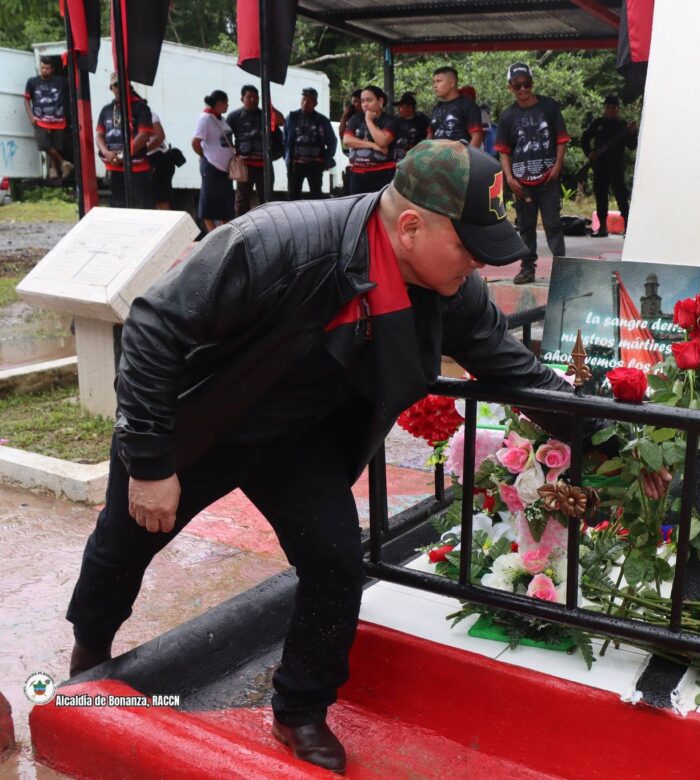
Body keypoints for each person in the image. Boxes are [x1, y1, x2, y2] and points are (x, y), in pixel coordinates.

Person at [64, 140, 564, 774]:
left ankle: (300, 707)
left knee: (335, 561)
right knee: (124, 545)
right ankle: (89, 657)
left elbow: (516, 371)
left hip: (297, 440)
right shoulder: (278, 242)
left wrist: (604, 436)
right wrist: (149, 463)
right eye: (469, 246)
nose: (479, 265)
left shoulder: (449, 290)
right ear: (410, 227)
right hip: (201, 425)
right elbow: (153, 328)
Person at [495, 63, 569, 285]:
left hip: (548, 178)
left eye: (526, 83)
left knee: (553, 224)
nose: (523, 89)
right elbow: (504, 151)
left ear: (532, 83)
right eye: (517, 85)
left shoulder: (549, 107)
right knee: (525, 227)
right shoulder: (508, 116)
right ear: (510, 87)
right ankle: (527, 268)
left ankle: (563, 270)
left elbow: (562, 140)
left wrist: (557, 165)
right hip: (521, 182)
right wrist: (509, 178)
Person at [580, 95, 638, 237]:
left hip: (617, 166)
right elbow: (585, 138)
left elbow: (632, 146)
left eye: (613, 107)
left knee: (621, 196)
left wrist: (632, 133)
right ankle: (602, 228)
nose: (610, 110)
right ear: (604, 108)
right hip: (600, 165)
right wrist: (589, 152)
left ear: (618, 109)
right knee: (600, 196)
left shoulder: (623, 125)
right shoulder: (597, 123)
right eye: (608, 107)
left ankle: (629, 228)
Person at [225, 84, 285, 216]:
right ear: (242, 99)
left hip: (265, 167)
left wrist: (273, 156)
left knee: (267, 201)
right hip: (244, 166)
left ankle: (267, 224)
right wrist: (233, 158)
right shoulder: (234, 117)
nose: (253, 100)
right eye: (249, 97)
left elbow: (281, 125)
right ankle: (240, 226)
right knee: (242, 201)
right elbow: (225, 139)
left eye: (256, 97)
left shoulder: (266, 115)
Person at [96, 73, 154, 208]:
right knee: (118, 207)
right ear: (111, 88)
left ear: (129, 86)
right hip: (114, 167)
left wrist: (123, 155)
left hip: (137, 167)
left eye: (122, 84)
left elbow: (144, 135)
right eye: (116, 85)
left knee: (141, 208)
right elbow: (99, 135)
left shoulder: (141, 108)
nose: (119, 88)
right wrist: (106, 153)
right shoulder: (106, 110)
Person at [191, 90, 235, 232]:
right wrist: (204, 156)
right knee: (209, 206)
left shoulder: (220, 119)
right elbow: (195, 142)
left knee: (225, 206)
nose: (227, 105)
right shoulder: (205, 119)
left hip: (225, 169)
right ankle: (213, 235)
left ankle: (224, 234)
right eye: (226, 102)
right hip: (212, 166)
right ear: (219, 103)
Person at [24, 55, 73, 182]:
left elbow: (71, 92)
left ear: (52, 69)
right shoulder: (32, 82)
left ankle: (53, 170)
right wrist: (31, 116)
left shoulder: (61, 82)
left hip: (58, 120)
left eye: (47, 68)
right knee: (44, 144)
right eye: (42, 68)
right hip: (40, 120)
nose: (44, 70)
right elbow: (26, 99)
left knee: (55, 146)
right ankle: (64, 163)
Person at [284, 87, 337, 201]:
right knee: (292, 196)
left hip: (315, 164)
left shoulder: (322, 120)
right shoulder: (292, 118)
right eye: (304, 99)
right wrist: (288, 159)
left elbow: (332, 142)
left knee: (316, 197)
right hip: (295, 164)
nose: (305, 102)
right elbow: (285, 141)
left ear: (315, 103)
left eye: (309, 100)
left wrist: (325, 160)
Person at [342, 85, 396, 195]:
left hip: (382, 174)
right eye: (362, 101)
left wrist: (369, 121)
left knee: (380, 204)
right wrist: (373, 145)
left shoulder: (391, 120)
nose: (365, 104)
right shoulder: (355, 118)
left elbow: (382, 141)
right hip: (357, 175)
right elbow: (347, 140)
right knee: (358, 205)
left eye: (369, 100)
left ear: (380, 101)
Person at [428, 66, 482, 147]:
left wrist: (466, 155)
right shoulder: (436, 108)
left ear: (452, 83)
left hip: (459, 154)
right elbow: (430, 135)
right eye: (434, 82)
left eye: (439, 81)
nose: (435, 85)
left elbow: (477, 137)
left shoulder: (468, 106)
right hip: (436, 154)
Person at [146, 109, 176, 210]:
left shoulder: (149, 114)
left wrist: (141, 152)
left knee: (161, 198)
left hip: (157, 158)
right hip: (153, 157)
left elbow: (160, 136)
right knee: (154, 198)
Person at [391, 91, 430, 164]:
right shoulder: (396, 121)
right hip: (399, 160)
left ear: (410, 107)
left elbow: (429, 136)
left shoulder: (423, 120)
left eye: (401, 107)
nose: (399, 109)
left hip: (418, 158)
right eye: (398, 107)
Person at [338, 89, 362, 195]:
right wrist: (344, 115)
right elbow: (341, 135)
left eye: (356, 102)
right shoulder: (352, 119)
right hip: (353, 164)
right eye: (352, 102)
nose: (353, 105)